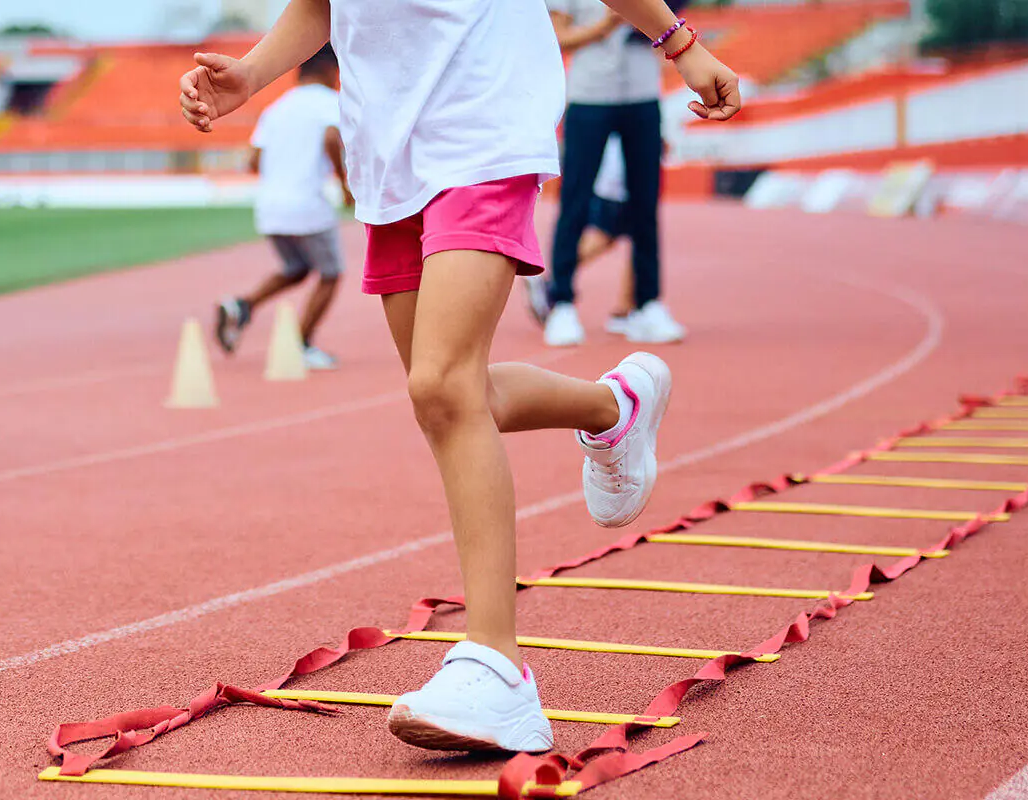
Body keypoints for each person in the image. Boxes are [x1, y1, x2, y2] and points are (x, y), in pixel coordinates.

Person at [179, 0, 737, 753]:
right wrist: (250, 74)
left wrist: (679, 42)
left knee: (443, 386)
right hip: (387, 152)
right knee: (450, 393)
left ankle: (498, 669)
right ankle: (615, 407)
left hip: (483, 124)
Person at [537, 0, 685, 346]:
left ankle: (646, 304)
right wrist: (606, 25)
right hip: (589, 96)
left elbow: (668, 25)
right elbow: (557, 38)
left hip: (643, 95)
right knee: (575, 201)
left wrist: (648, 21)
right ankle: (561, 302)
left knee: (645, 204)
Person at [215, 46, 354, 371]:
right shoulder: (329, 102)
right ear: (330, 71)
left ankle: (242, 306)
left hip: (270, 208)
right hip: (307, 206)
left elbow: (253, 160)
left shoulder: (275, 109)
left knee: (297, 268)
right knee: (331, 274)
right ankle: (301, 344)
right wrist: (344, 185)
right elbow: (331, 138)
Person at [526, 135, 638, 334]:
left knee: (619, 236)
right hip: (620, 174)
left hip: (616, 170)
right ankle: (555, 283)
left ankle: (627, 307)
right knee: (611, 235)